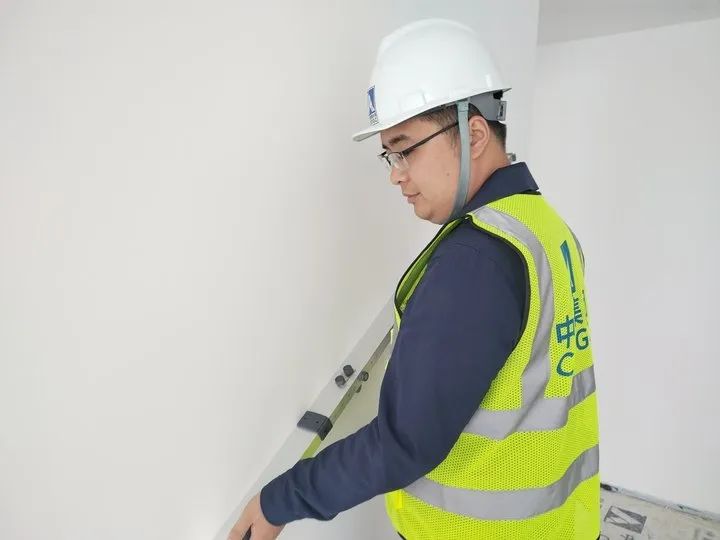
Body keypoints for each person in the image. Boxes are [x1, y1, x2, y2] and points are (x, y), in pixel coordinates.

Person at [229, 18, 600, 540]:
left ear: (474, 134)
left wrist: (278, 501)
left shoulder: (477, 259)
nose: (395, 173)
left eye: (405, 149)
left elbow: (404, 441)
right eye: (389, 154)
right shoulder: (544, 227)